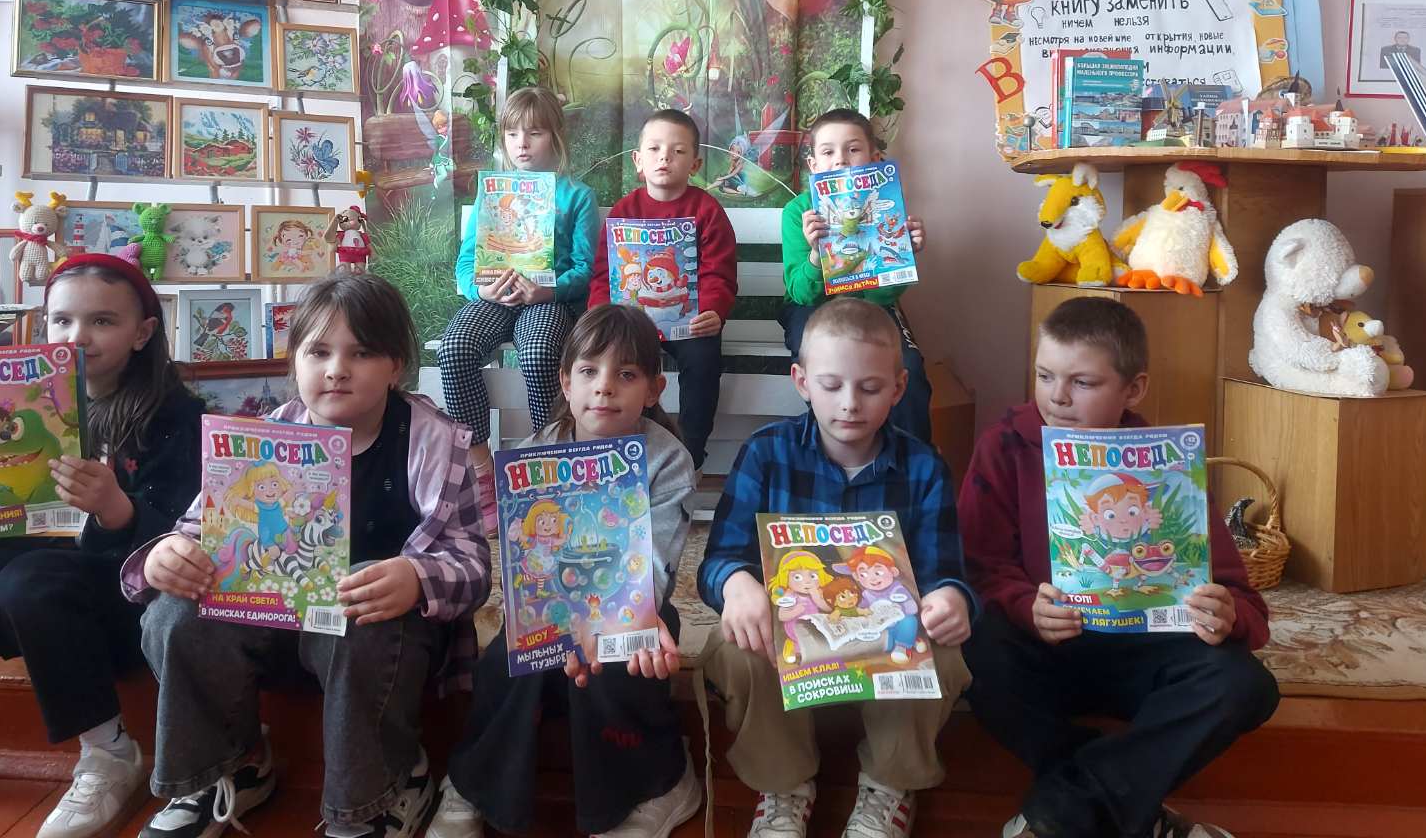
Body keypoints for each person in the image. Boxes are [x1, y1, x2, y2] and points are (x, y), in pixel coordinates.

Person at [129, 272, 490, 838]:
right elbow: (199, 529)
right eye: (318, 351)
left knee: (361, 610)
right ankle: (229, 768)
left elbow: (474, 564)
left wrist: (418, 576)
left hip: (381, 642)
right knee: (173, 612)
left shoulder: (435, 442)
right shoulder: (262, 439)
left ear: (396, 366)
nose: (337, 369)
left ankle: (384, 788)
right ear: (294, 358)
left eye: (362, 353)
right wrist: (168, 554)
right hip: (274, 625)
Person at [0, 252, 204, 838]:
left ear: (142, 332)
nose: (78, 337)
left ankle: (109, 750)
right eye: (62, 320)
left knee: (30, 580)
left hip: (118, 605)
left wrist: (116, 508)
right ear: (42, 325)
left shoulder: (179, 418)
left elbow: (188, 543)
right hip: (23, 597)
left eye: (103, 321)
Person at [959, 297, 1278, 838]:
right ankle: (1130, 810)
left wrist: (1225, 615)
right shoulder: (1004, 446)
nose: (1057, 396)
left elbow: (1245, 605)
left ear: (1133, 389)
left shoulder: (1170, 466)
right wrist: (1026, 606)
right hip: (1045, 652)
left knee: (1246, 685)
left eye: (1082, 382)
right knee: (972, 648)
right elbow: (978, 568)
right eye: (1044, 376)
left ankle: (1062, 812)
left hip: (1144, 657)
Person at [697, 298, 975, 838]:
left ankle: (889, 784)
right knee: (736, 645)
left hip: (884, 641)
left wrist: (952, 598)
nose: (849, 404)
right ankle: (784, 787)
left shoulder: (924, 467)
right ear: (801, 382)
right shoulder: (765, 454)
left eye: (870, 388)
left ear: (898, 388)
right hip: (794, 641)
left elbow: (945, 570)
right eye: (831, 386)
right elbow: (719, 558)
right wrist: (735, 583)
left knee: (945, 652)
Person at [427, 304, 700, 838]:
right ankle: (473, 784)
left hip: (633, 606)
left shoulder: (667, 458)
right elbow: (523, 557)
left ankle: (658, 783)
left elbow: (659, 557)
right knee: (504, 662)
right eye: (589, 371)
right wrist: (544, 612)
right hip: (552, 605)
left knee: (622, 663)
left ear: (653, 389)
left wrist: (618, 619)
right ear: (566, 382)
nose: (605, 387)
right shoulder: (535, 450)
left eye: (626, 374)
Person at [441, 86, 598, 531]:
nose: (522, 144)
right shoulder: (492, 194)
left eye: (535, 133)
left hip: (547, 300)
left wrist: (548, 291)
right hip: (495, 295)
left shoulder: (576, 196)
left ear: (556, 137)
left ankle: (546, 463)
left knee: (539, 353)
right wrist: (480, 289)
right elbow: (466, 262)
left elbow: (586, 268)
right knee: (454, 348)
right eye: (512, 134)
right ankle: (481, 471)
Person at [588, 109, 737, 470]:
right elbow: (604, 273)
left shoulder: (707, 210)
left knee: (703, 360)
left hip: (688, 321)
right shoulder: (625, 210)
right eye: (654, 149)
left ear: (695, 164)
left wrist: (713, 311)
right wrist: (600, 314)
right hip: (632, 322)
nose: (665, 157)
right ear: (638, 160)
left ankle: (689, 455)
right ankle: (628, 450)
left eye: (678, 151)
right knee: (619, 362)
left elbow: (719, 272)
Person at [779, 108, 933, 445]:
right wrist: (816, 255)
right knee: (824, 368)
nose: (841, 160)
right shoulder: (799, 212)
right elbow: (800, 293)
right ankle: (830, 453)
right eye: (828, 152)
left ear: (874, 159)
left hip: (872, 307)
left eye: (853, 149)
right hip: (813, 307)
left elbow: (885, 298)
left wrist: (900, 255)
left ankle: (911, 464)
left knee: (909, 370)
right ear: (813, 165)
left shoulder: (885, 205)